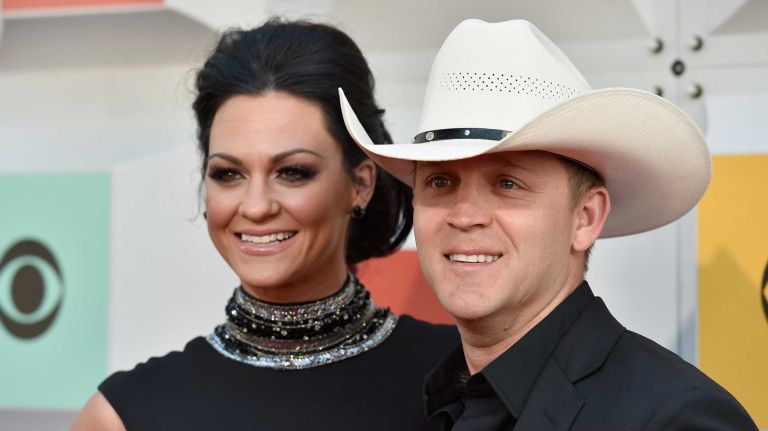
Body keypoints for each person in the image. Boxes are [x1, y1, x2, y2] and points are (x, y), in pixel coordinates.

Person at [339, 19, 757, 430]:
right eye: (440, 181)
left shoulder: (679, 420)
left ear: (586, 217)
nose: (464, 215)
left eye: (507, 183)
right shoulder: (425, 405)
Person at [71, 19, 456, 431]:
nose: (255, 207)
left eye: (292, 172)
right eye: (229, 174)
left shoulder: (461, 378)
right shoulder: (125, 413)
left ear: (360, 184)